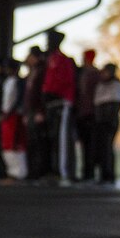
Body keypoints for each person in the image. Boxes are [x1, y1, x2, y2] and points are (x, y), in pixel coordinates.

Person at [41, 30, 77, 182]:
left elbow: (66, 82)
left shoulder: (63, 60)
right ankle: (53, 168)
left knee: (62, 139)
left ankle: (63, 171)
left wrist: (54, 93)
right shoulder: (51, 60)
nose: (47, 44)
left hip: (62, 103)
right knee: (52, 138)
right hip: (51, 104)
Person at [93, 63, 120, 184]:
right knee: (100, 148)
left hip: (109, 122)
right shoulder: (101, 85)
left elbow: (115, 105)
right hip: (100, 121)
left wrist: (108, 120)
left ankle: (109, 174)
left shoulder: (115, 85)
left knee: (107, 148)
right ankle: (102, 174)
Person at [22, 46, 48, 180]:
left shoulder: (42, 71)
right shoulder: (32, 72)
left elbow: (41, 93)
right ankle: (31, 170)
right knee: (31, 142)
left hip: (37, 110)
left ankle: (39, 170)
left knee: (38, 142)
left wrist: (40, 110)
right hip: (30, 111)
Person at [0, 59, 27, 180]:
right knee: (7, 143)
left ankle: (19, 172)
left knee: (15, 143)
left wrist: (11, 111)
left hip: (14, 115)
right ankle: (11, 170)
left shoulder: (19, 82)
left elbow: (18, 99)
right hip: (6, 115)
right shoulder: (7, 81)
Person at [76, 49, 100, 182]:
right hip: (83, 113)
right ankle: (86, 171)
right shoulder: (83, 74)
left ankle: (90, 172)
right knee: (85, 145)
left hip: (90, 114)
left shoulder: (94, 74)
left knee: (91, 145)